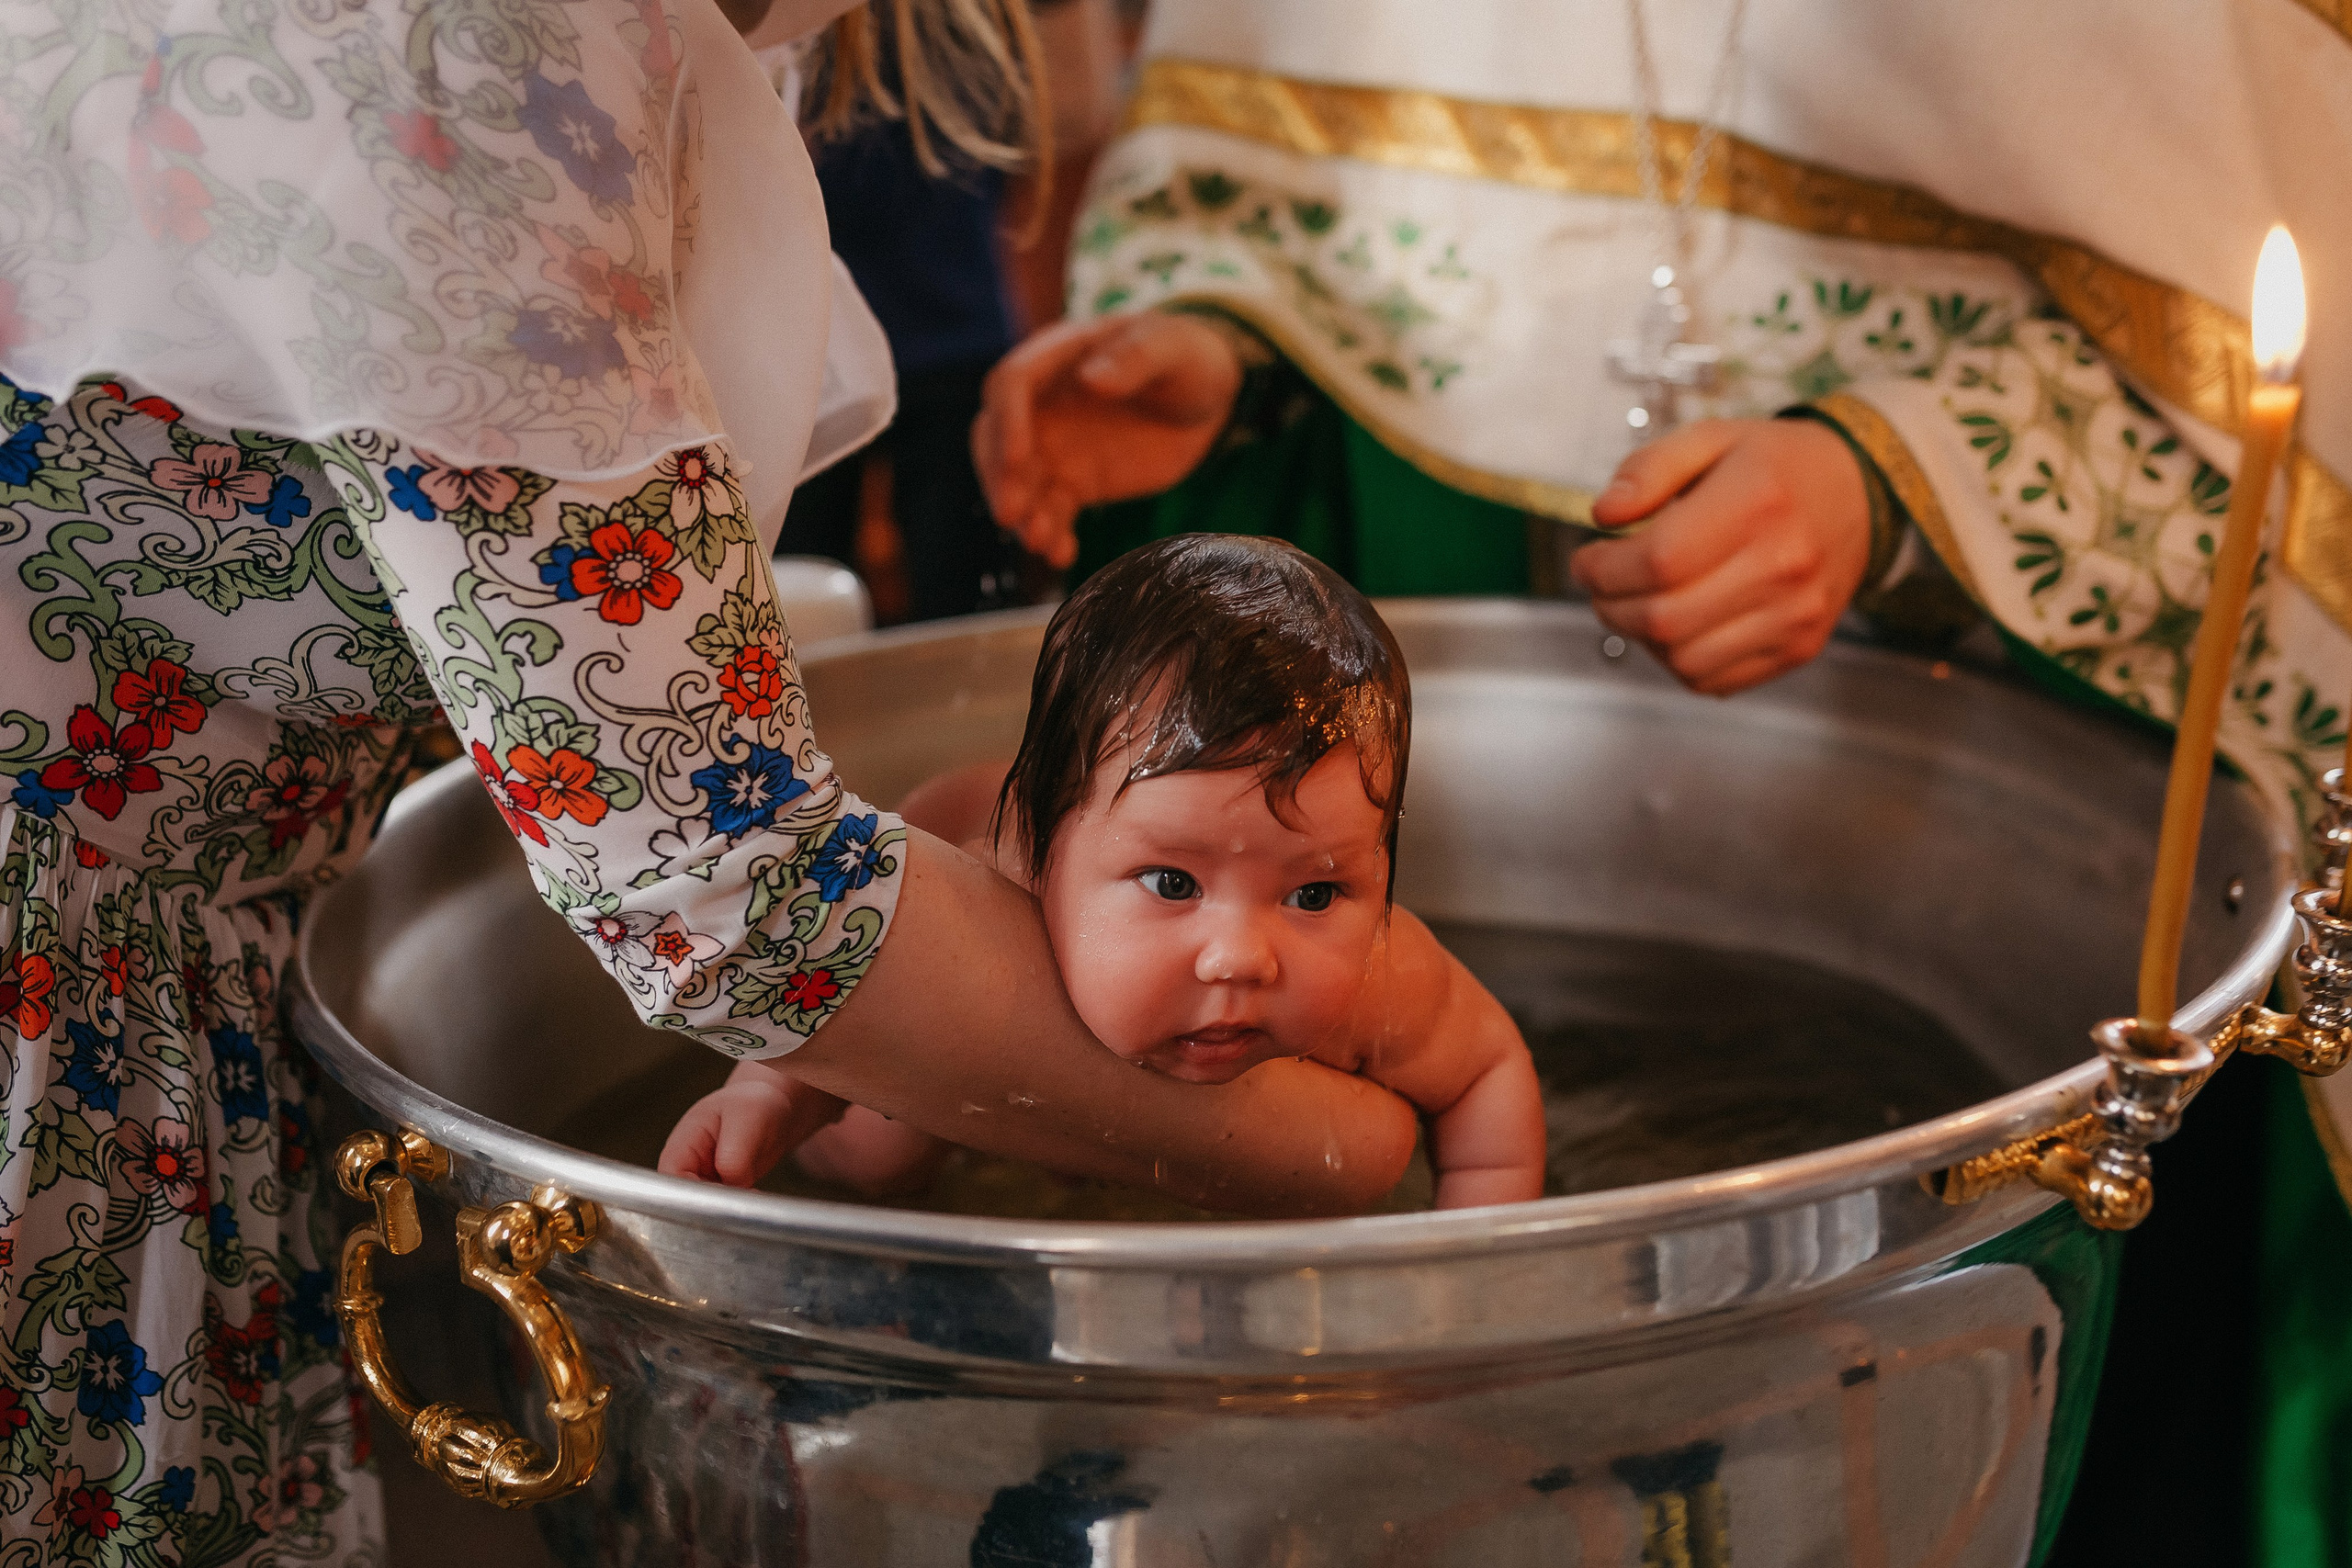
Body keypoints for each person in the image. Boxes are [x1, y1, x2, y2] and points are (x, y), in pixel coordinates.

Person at [0, 0, 1435, 1555]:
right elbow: (726, 884)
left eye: (1314, 886)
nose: (1241, 943)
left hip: (171, 946)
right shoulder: (467, 45)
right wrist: (1365, 1158)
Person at [968, 2, 2352, 1561]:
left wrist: (1903, 482)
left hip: (1944, 751)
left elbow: (2262, 317)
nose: (1233, 948)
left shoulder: (1396, 982)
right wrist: (1233, 348)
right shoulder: (1048, 850)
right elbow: (1308, 164)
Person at [662, 534, 1548, 1209]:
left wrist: (1471, 1270)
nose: (1241, 957)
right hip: (956, 931)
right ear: (1040, 845)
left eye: (1314, 892)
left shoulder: (1383, 978)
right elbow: (845, 963)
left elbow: (1487, 1071)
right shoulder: (987, 886)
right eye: (1173, 883)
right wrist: (770, 1096)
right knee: (877, 1154)